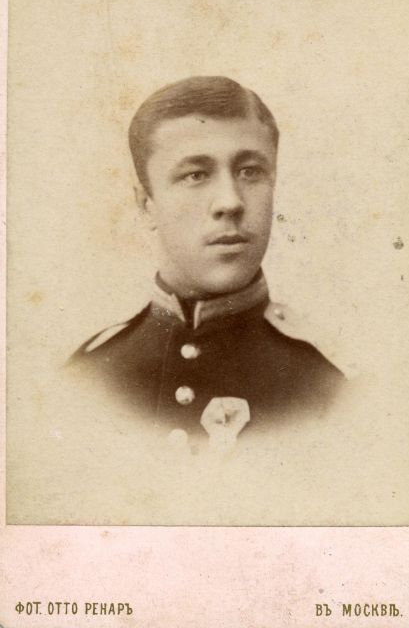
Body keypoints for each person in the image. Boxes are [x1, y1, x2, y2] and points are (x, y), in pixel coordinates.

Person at [69, 76, 344, 451]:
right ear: (145, 203)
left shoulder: (335, 387)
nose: (230, 202)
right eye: (195, 175)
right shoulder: (84, 381)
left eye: (250, 171)